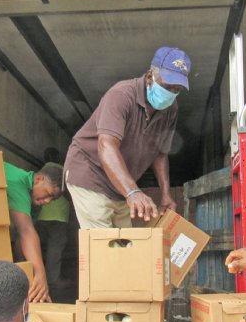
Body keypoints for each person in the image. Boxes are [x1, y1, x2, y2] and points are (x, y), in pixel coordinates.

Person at [63, 46, 191, 228]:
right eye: (167, 86)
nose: (170, 93)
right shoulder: (121, 95)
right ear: (149, 77)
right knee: (104, 246)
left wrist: (165, 193)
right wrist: (132, 192)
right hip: (90, 173)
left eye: (176, 89)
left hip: (119, 185)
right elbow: (106, 146)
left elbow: (160, 153)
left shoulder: (171, 108)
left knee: (126, 246)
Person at [4, 161, 63, 302]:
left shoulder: (35, 204)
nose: (48, 201)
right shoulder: (17, 181)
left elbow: (22, 238)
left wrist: (24, 273)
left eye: (52, 199)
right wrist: (40, 275)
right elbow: (26, 231)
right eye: (49, 194)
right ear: (38, 179)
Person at [35, 151, 73, 292]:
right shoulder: (60, 173)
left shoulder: (44, 172)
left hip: (41, 217)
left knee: (36, 248)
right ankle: (53, 280)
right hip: (58, 218)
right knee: (55, 250)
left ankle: (33, 278)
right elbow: (70, 194)